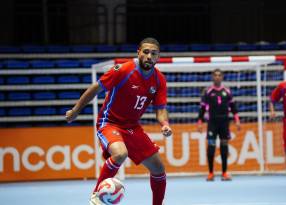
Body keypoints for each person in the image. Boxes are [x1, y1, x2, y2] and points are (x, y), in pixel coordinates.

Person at [65, 37, 172, 205]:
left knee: (158, 168)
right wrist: (76, 110)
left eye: (154, 53)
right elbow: (96, 88)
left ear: (158, 57)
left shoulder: (159, 80)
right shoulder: (124, 70)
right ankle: (96, 198)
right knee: (120, 153)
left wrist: (165, 124)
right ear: (138, 52)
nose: (149, 56)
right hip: (109, 122)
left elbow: (160, 111)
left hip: (132, 127)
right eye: (146, 52)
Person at [197, 68, 241, 181]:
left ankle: (224, 173)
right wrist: (200, 122)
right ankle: (211, 173)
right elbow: (202, 108)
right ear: (212, 77)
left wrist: (237, 120)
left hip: (224, 122)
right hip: (212, 122)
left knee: (224, 147)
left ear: (222, 77)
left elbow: (233, 107)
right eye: (215, 75)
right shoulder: (208, 91)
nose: (217, 77)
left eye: (219, 75)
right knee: (211, 147)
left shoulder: (227, 91)